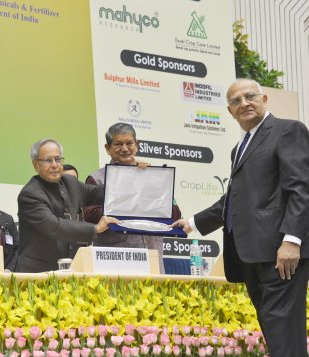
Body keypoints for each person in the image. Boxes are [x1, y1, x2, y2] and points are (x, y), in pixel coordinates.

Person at [172, 79, 309, 357]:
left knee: (283, 332)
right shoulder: (240, 148)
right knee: (275, 331)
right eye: (236, 101)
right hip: (251, 255)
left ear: (264, 99)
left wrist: (292, 240)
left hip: (281, 253)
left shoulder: (287, 131)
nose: (244, 103)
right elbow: (234, 200)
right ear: (230, 111)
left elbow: (301, 188)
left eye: (250, 96)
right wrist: (194, 222)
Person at [84, 123, 181, 274]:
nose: (124, 148)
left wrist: (151, 182)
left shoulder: (154, 176)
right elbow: (88, 216)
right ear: (107, 148)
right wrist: (125, 203)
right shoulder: (96, 179)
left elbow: (174, 214)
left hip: (152, 258)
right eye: (118, 144)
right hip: (116, 261)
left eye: (129, 143)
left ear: (137, 145)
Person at [16, 138, 119, 272]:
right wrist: (95, 229)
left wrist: (131, 170)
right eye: (48, 160)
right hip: (38, 272)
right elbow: (54, 226)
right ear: (36, 165)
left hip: (71, 270)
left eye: (58, 159)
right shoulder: (30, 194)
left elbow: (99, 193)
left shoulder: (70, 182)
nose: (54, 165)